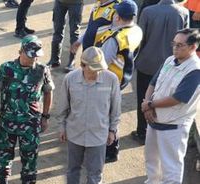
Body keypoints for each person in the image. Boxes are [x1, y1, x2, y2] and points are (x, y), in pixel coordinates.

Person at [133, 28, 200, 184]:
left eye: (180, 45)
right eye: (174, 44)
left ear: (193, 47)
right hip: (155, 118)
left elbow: (178, 98)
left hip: (174, 124)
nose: (175, 48)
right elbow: (153, 83)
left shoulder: (195, 70)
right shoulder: (170, 60)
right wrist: (147, 102)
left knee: (171, 162)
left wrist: (150, 105)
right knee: (151, 155)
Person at [0, 35, 54, 184]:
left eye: (37, 55)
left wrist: (45, 116)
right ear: (21, 51)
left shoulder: (42, 70)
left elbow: (48, 92)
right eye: (31, 54)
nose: (35, 58)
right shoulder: (6, 69)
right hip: (7, 124)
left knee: (30, 160)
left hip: (30, 126)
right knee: (2, 160)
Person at [55, 47, 121, 184]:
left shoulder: (111, 79)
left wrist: (113, 130)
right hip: (75, 133)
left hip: (98, 135)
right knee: (72, 169)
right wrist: (62, 127)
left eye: (99, 67)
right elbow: (63, 106)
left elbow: (115, 108)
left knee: (95, 173)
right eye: (93, 68)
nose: (97, 72)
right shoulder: (70, 79)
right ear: (82, 65)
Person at [132, 0, 188, 143]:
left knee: (144, 97)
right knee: (165, 99)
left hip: (147, 63)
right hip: (171, 65)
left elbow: (139, 39)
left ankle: (142, 132)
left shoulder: (148, 11)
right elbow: (186, 41)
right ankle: (159, 131)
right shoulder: (183, 12)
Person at [93, 0, 143, 162]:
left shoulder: (115, 38)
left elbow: (102, 64)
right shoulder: (136, 30)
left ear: (118, 17)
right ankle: (112, 148)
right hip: (122, 78)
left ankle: (110, 150)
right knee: (112, 112)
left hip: (107, 81)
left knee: (105, 114)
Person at [72, 0, 120, 71]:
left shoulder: (117, 9)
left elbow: (115, 36)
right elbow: (90, 27)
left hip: (98, 56)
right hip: (87, 51)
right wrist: (80, 41)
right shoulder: (97, 4)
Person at [49, 0, 85, 68]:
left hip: (76, 3)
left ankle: (72, 61)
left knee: (74, 32)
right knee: (57, 30)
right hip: (60, 2)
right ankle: (54, 59)